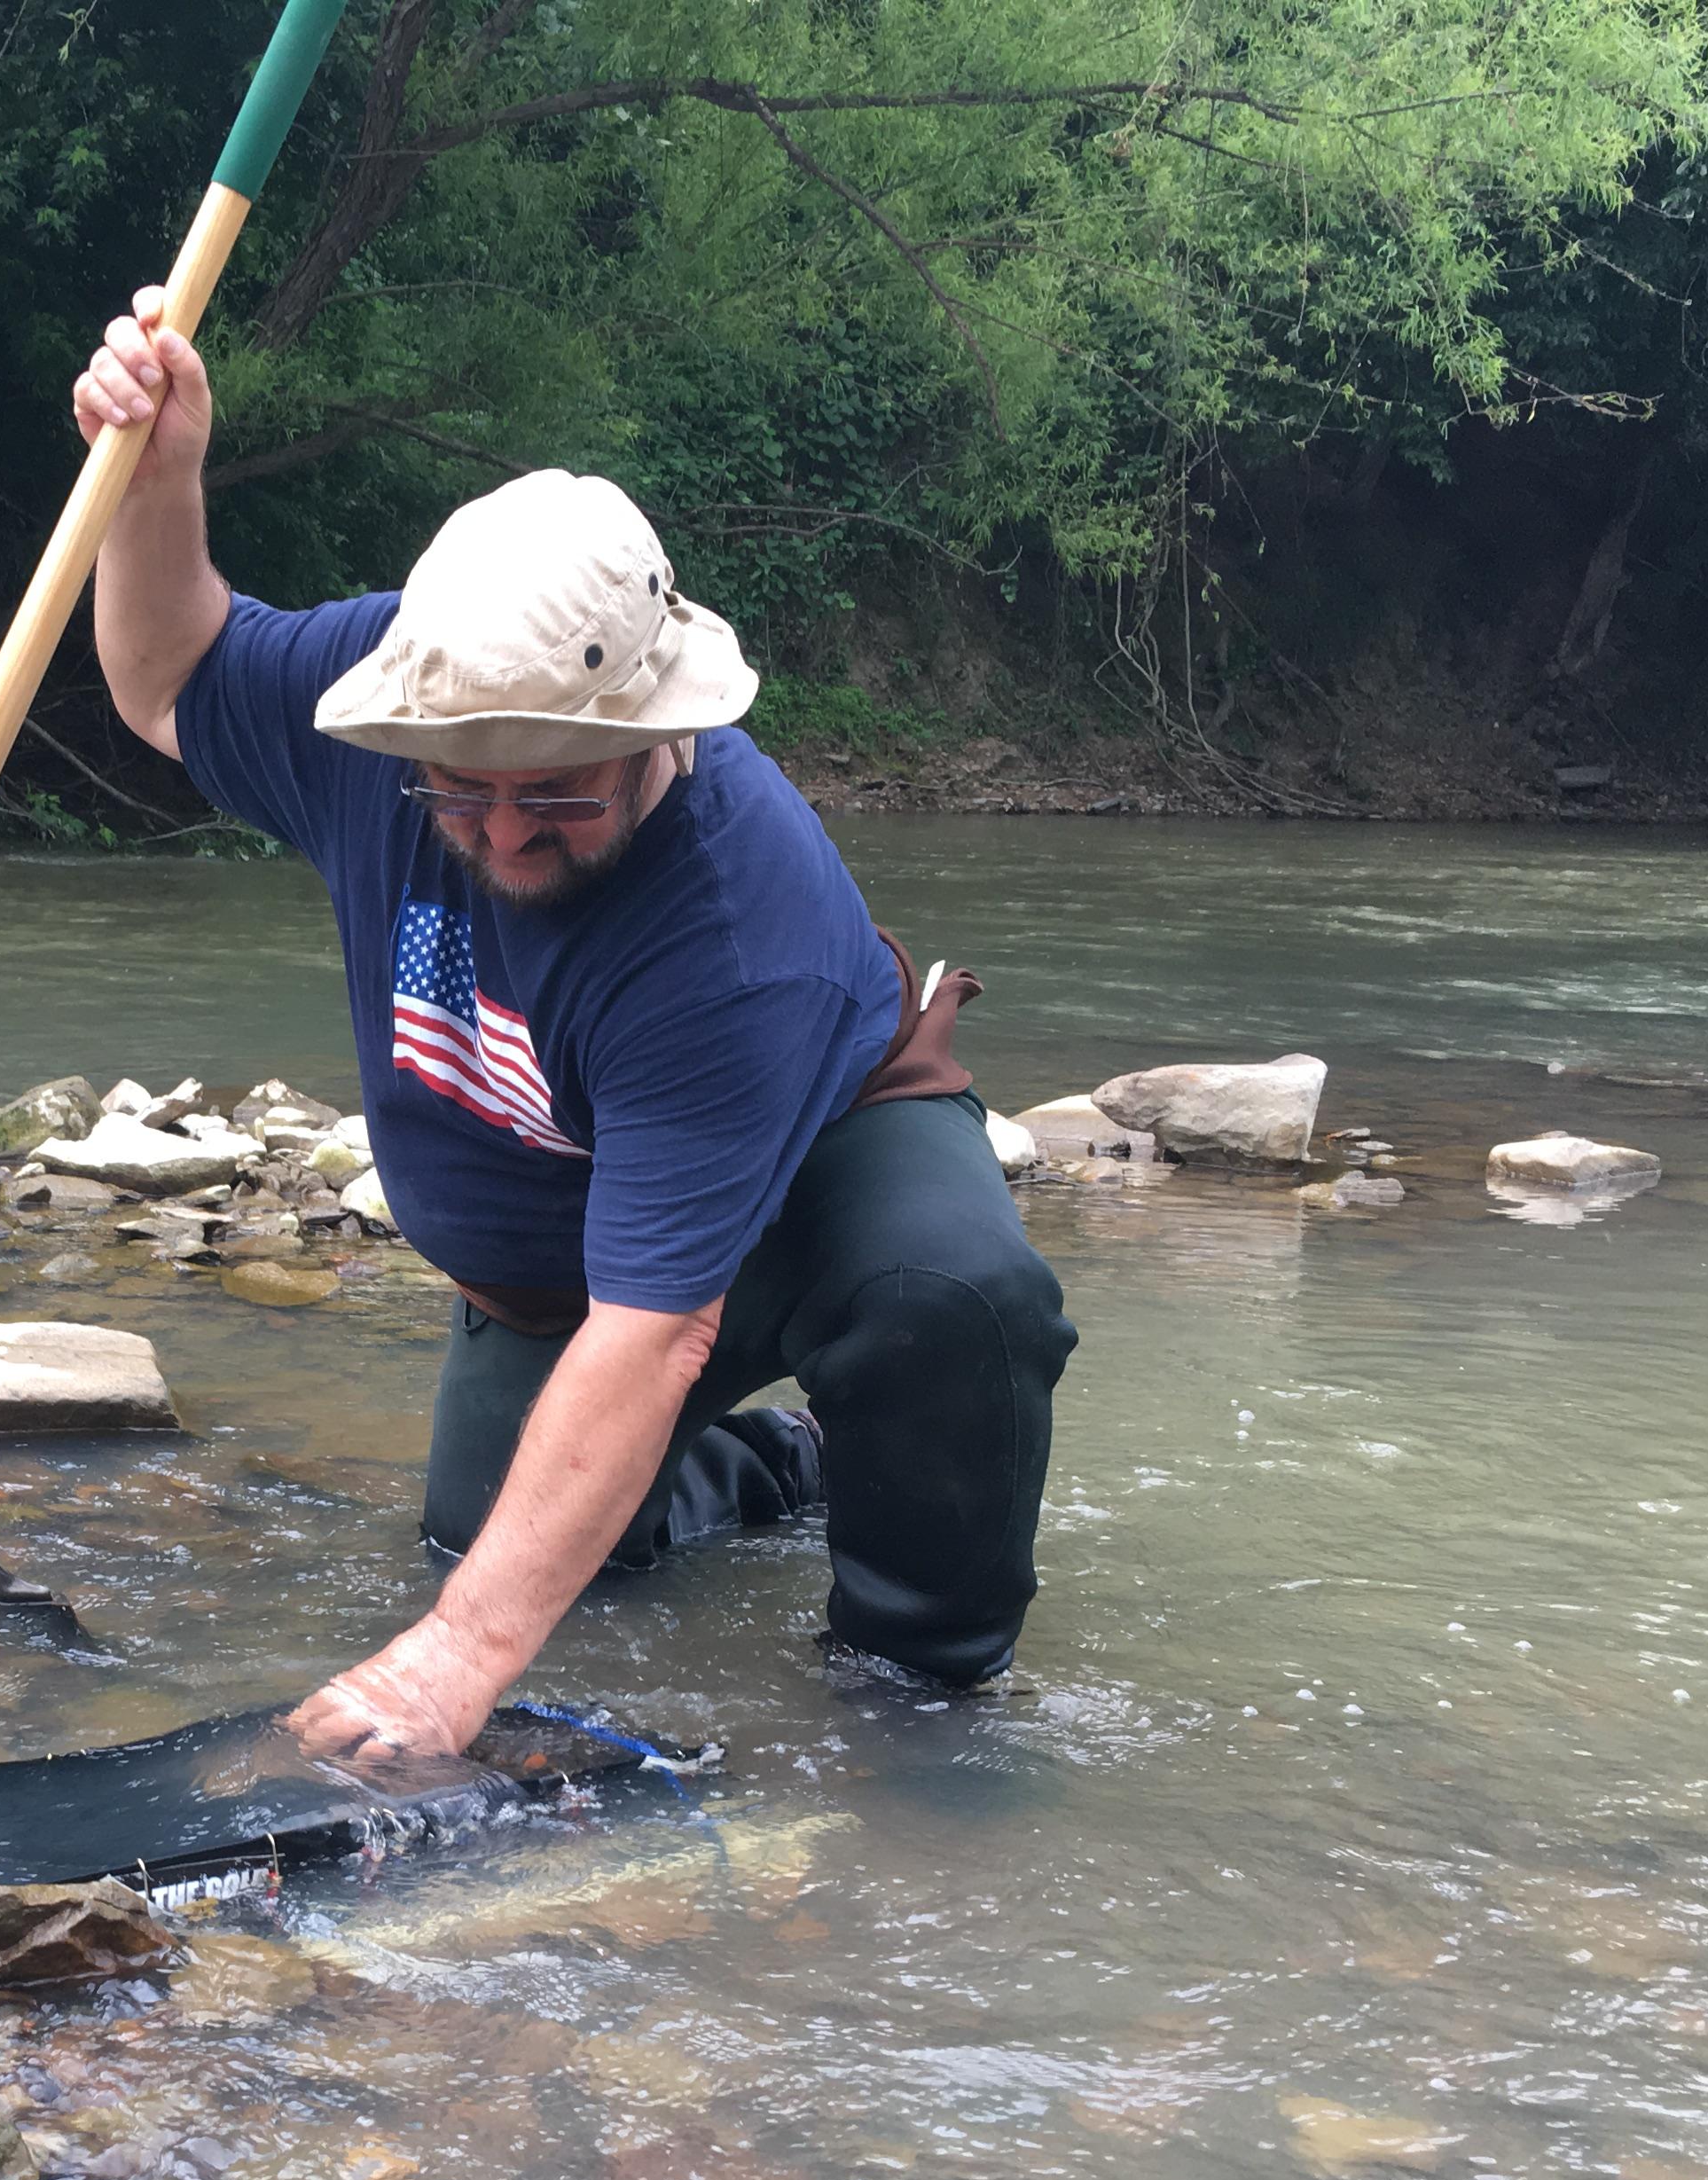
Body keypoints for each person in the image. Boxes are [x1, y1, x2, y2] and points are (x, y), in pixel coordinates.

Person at [72, 287, 1077, 1760]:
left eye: (557, 794)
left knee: (951, 1302)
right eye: (460, 792)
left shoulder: (733, 935)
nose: (503, 834)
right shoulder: (395, 704)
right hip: (561, 1252)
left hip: (824, 1163)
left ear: (659, 734)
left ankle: (918, 1706)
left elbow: (655, 1331)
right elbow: (165, 679)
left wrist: (456, 1661)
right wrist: (158, 484)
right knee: (492, 1539)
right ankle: (773, 1467)